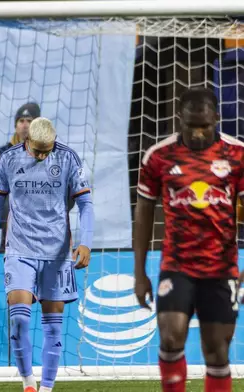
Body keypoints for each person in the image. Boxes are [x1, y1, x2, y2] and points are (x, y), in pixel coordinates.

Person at [134, 88, 244, 392]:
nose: (197, 133)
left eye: (205, 127)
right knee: (170, 337)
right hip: (177, 264)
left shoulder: (238, 155)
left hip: (221, 269)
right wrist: (139, 272)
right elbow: (143, 215)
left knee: (217, 352)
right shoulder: (158, 157)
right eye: (190, 126)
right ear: (178, 119)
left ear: (217, 119)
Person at [0, 117, 94, 392]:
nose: (43, 156)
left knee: (53, 328)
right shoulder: (8, 159)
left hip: (57, 254)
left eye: (47, 150)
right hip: (20, 250)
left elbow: (86, 204)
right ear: (27, 141)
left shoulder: (68, 158)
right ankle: (28, 383)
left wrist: (86, 242)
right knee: (19, 320)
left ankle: (46, 388)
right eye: (37, 151)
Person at [0, 103, 41, 251]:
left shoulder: (49, 154)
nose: (25, 125)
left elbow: (63, 193)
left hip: (43, 233)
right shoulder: (3, 154)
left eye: (29, 121)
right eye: (21, 121)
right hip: (11, 234)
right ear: (16, 125)